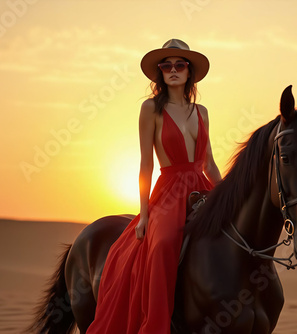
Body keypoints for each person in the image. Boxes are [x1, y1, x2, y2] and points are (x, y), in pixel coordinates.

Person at [86, 39, 222, 333]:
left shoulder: (203, 112)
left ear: (189, 72)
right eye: (166, 65)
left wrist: (227, 195)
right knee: (161, 246)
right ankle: (157, 326)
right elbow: (146, 164)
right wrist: (144, 214)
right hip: (168, 191)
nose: (173, 70)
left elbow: (209, 163)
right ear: (160, 73)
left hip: (201, 186)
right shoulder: (151, 109)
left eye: (180, 64)